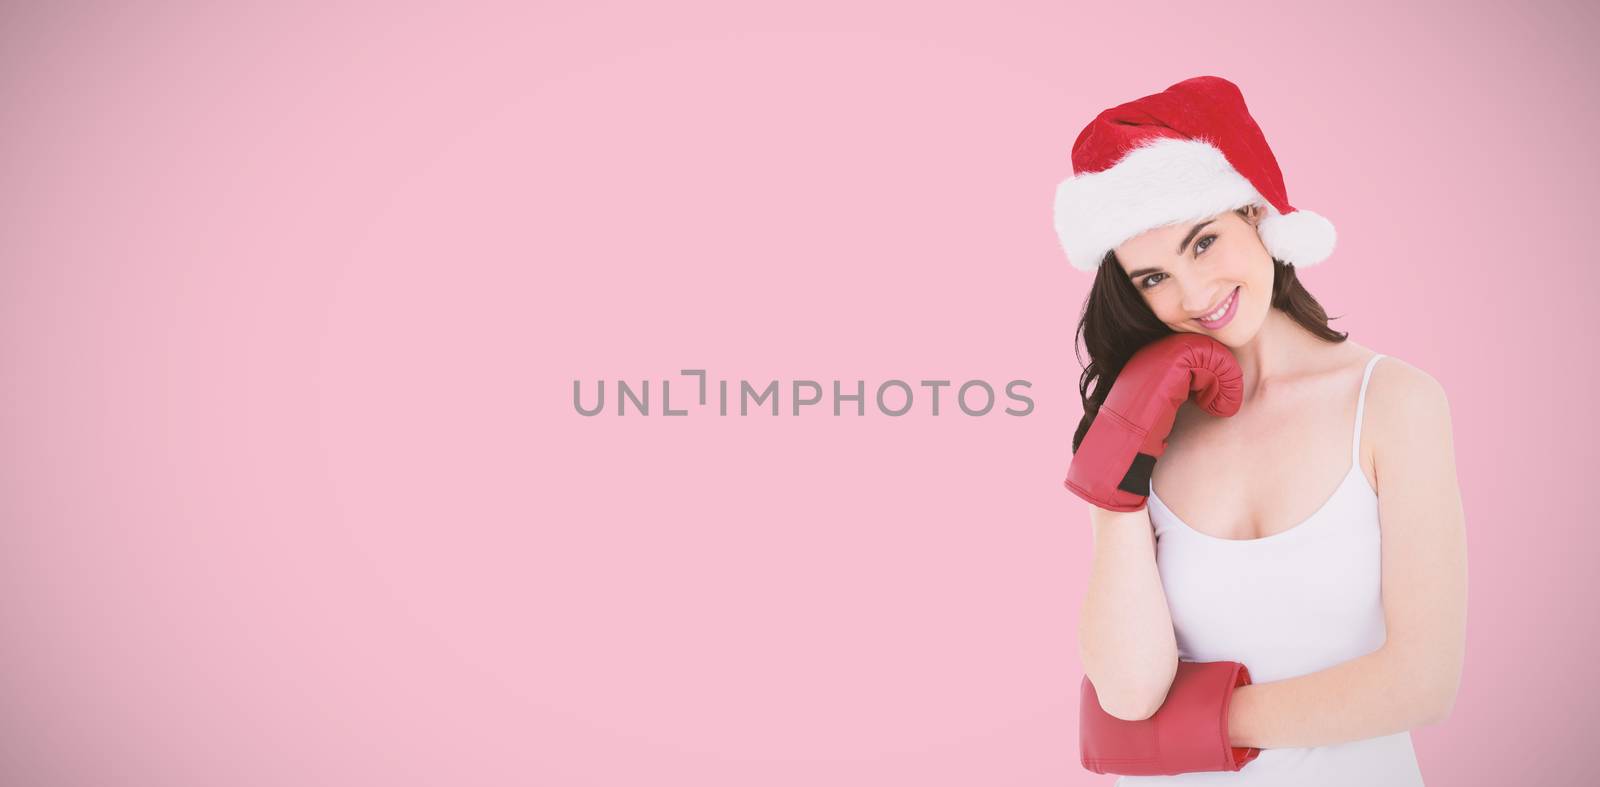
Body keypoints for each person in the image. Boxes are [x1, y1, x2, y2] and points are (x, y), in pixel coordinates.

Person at [1054, 76, 1467, 785]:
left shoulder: (1393, 403)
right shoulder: (1146, 427)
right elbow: (1128, 692)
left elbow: (1422, 680)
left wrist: (1207, 724)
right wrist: (1116, 476)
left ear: (1257, 213)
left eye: (1204, 241)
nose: (1191, 294)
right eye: (1152, 278)